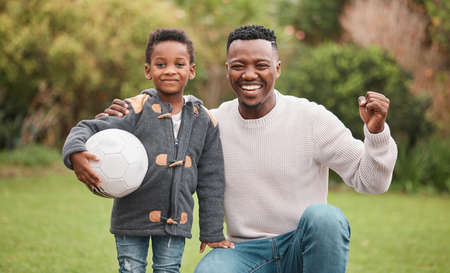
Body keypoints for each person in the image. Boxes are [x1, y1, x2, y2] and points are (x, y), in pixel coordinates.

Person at [99, 25, 398, 273]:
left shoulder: (311, 118)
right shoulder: (208, 124)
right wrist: (112, 134)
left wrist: (376, 133)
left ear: (277, 69)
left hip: (300, 246)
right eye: (239, 66)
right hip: (242, 252)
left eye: (261, 65)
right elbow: (160, 163)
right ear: (228, 70)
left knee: (325, 218)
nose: (249, 74)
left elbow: (371, 181)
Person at [62, 28, 233, 273]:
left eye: (179, 64)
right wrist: (75, 153)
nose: (170, 70)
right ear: (148, 70)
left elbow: (212, 180)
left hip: (176, 221)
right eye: (161, 64)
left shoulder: (203, 119)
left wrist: (213, 231)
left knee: (168, 269)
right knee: (130, 269)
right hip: (131, 219)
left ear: (191, 70)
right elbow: (88, 127)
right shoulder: (134, 108)